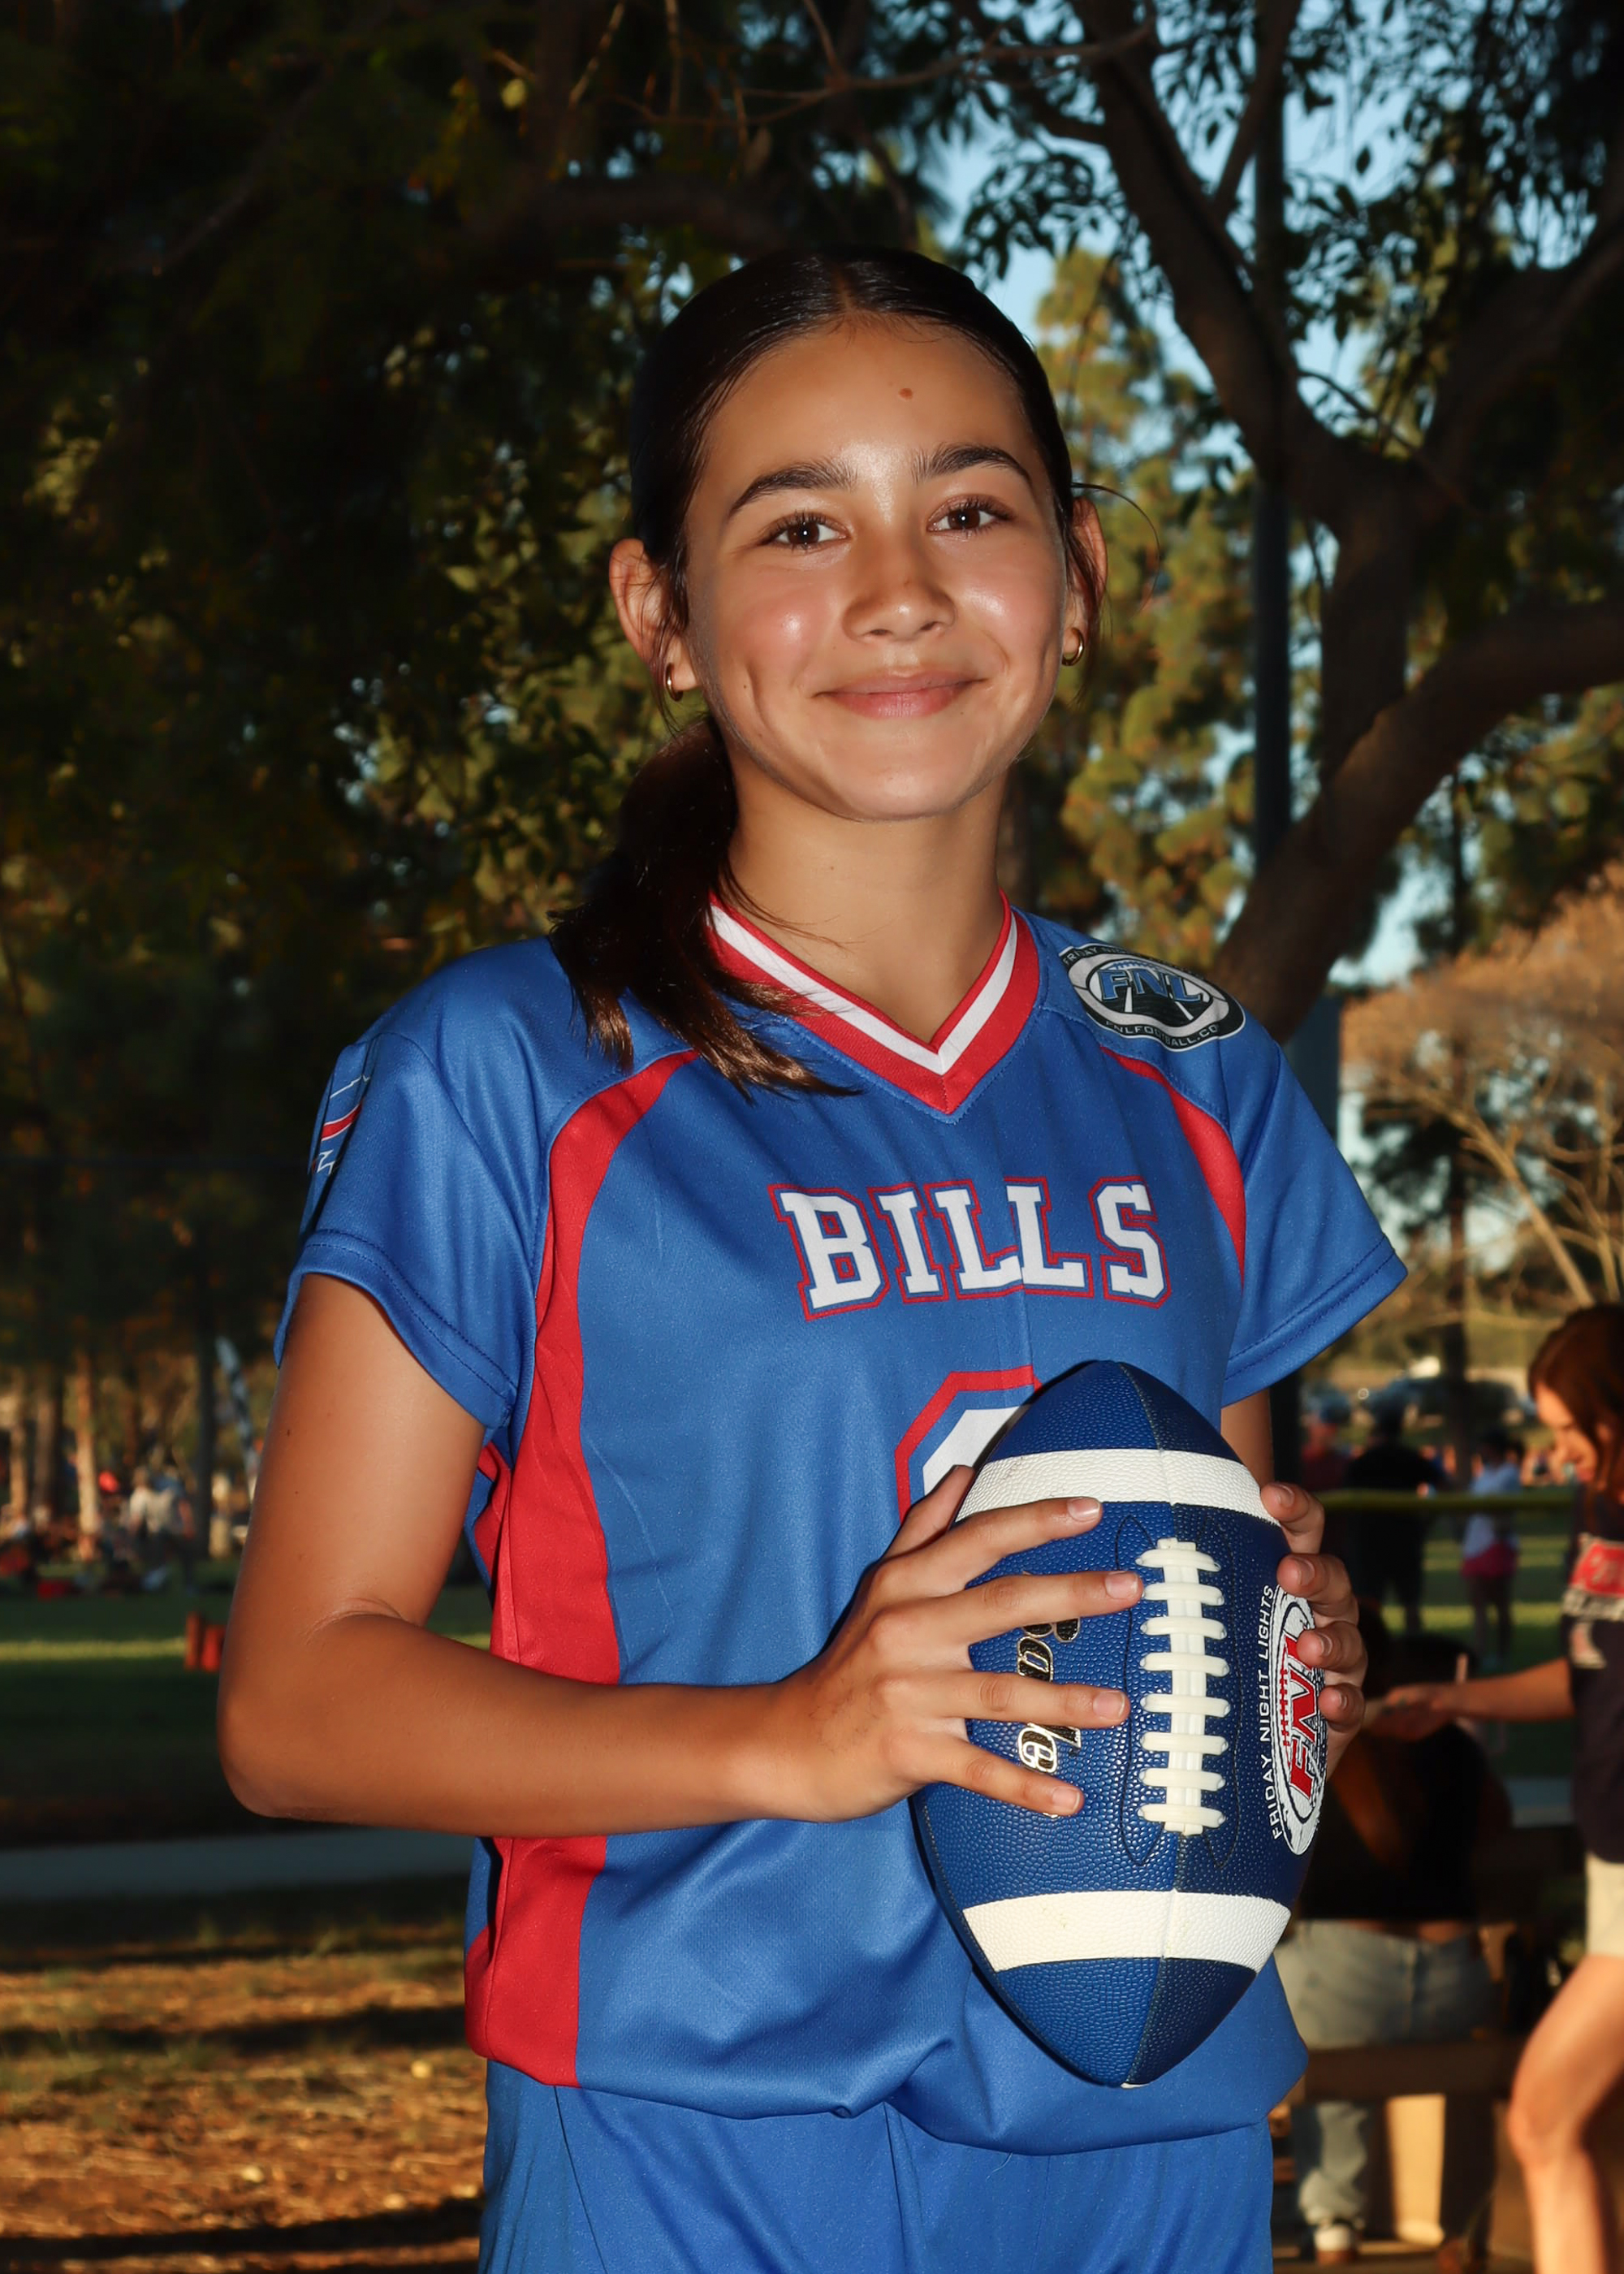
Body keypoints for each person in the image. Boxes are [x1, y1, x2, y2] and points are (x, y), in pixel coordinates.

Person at [217, 249, 1403, 2274]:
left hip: (1151, 2120)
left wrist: (1298, 1665)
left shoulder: (1194, 1070)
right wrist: (793, 1732)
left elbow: (1202, 1613)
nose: (898, 590)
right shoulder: (505, 1065)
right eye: (797, 525)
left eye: (968, 508)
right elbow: (296, 1701)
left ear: (1074, 576)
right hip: (700, 2141)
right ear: (657, 616)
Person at [1379, 1305, 1624, 2274]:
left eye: (1569, 1429)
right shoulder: (1597, 1507)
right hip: (1609, 1861)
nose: (1556, 1453)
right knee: (1549, 2122)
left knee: (1542, 2117)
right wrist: (1448, 1699)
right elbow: (1584, 1673)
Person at [1278, 1614, 1507, 2266]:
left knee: (1285, 1982)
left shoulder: (1312, 1744)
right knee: (1467, 2064)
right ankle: (1466, 2222)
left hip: (1345, 1979)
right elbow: (1499, 1824)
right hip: (1456, 1980)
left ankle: (1333, 2224)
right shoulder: (1450, 1744)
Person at [1346, 1403, 1439, 1634]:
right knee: (1410, 1604)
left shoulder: (1364, 1462)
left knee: (1369, 1605)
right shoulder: (1411, 1458)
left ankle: (1372, 1649)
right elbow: (1445, 1486)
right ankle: (1414, 1647)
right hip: (1405, 1539)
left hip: (1371, 1541)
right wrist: (1426, 1521)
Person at [1460, 1429, 1522, 1667]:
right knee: (1477, 1601)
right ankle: (1479, 1653)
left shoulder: (1509, 1473)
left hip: (1496, 1543)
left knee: (1499, 1601)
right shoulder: (1484, 1474)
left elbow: (1499, 1507)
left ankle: (1502, 1655)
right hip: (1476, 1542)